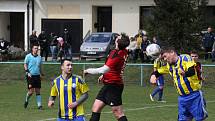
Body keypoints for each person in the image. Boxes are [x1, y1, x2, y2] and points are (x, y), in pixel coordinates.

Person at [150, 47, 208, 121]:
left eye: (165, 56)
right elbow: (158, 71)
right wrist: (153, 75)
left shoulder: (185, 58)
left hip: (194, 96)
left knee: (199, 119)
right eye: (163, 58)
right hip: (182, 99)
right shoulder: (169, 66)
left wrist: (185, 73)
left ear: (172, 52)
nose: (164, 59)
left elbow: (192, 71)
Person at [84, 33, 130, 121]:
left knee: (118, 113)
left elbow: (103, 69)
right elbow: (114, 68)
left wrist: (87, 70)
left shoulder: (116, 54)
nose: (116, 37)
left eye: (118, 38)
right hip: (109, 84)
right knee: (96, 108)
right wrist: (104, 75)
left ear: (118, 42)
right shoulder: (124, 51)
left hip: (113, 86)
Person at [24, 43, 43, 109]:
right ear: (32, 49)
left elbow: (40, 66)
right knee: (31, 92)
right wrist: (27, 72)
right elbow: (25, 64)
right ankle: (26, 100)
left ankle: (39, 106)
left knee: (38, 91)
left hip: (37, 76)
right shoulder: (28, 56)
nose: (36, 49)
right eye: (35, 48)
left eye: (37, 48)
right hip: (30, 76)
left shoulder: (39, 57)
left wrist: (41, 73)